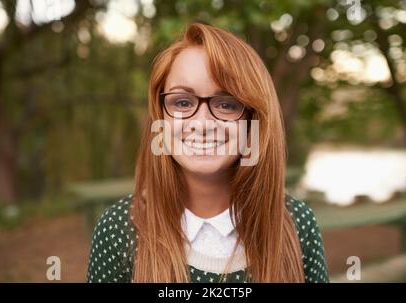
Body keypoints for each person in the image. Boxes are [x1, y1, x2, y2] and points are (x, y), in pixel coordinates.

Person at [87, 22, 329, 283]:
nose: (202, 124)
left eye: (226, 104)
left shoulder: (296, 224)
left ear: (253, 120)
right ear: (161, 117)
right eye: (182, 102)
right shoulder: (120, 229)